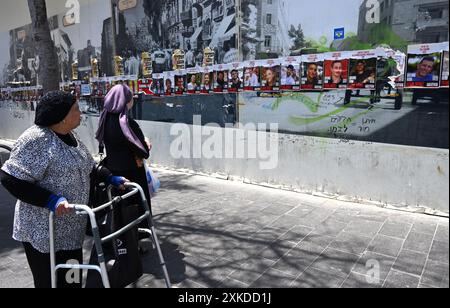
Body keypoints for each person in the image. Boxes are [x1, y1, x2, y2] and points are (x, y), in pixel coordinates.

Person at [0, 91, 127, 288]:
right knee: (49, 283)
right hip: (42, 232)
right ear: (62, 116)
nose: (81, 113)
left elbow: (87, 165)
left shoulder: (69, 134)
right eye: (76, 109)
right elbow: (10, 178)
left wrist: (110, 176)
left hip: (71, 230)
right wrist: (51, 201)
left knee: (72, 280)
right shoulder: (36, 139)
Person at [95, 85, 152, 244]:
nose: (132, 100)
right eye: (130, 97)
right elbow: (142, 151)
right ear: (125, 101)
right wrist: (146, 143)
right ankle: (137, 240)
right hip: (133, 173)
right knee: (136, 207)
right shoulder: (126, 123)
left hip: (114, 172)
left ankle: (121, 240)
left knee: (120, 208)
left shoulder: (104, 120)